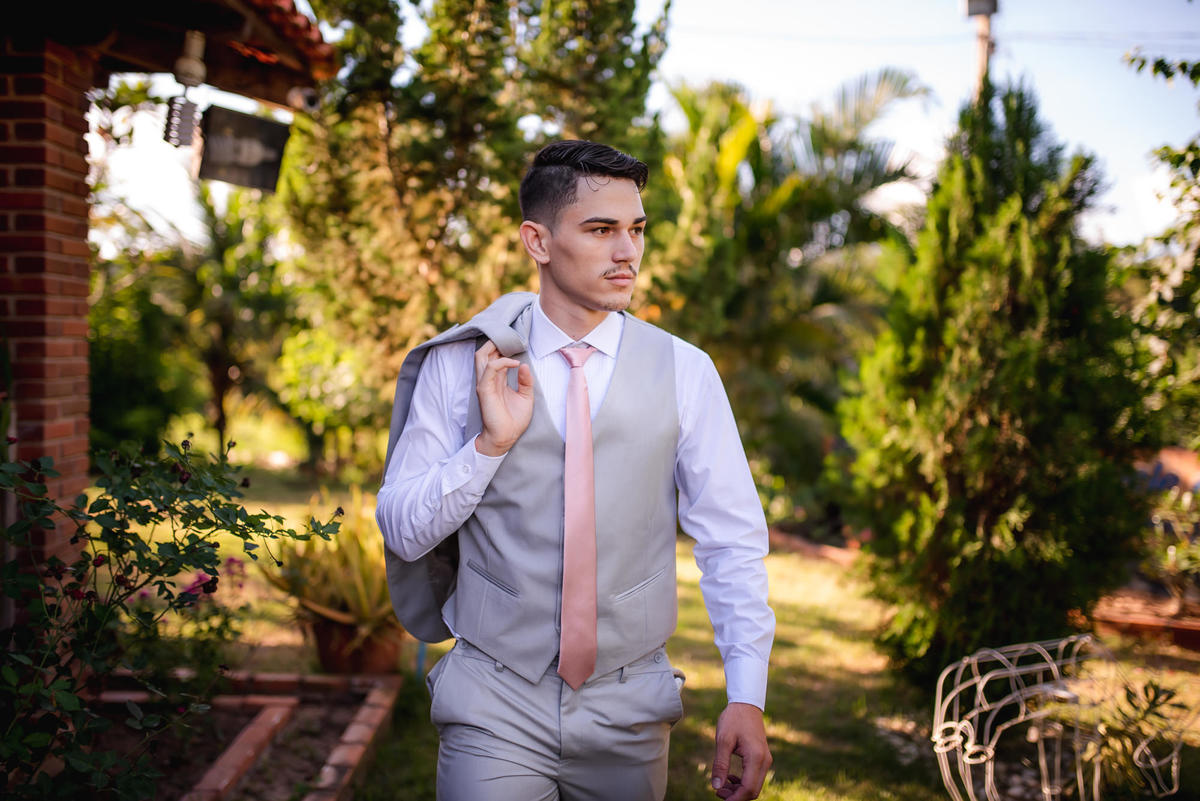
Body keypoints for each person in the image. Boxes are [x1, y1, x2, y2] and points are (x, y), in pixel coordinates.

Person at [376, 140, 775, 801]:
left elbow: (731, 540)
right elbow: (401, 529)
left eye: (636, 229)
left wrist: (747, 695)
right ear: (537, 240)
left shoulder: (686, 370)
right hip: (494, 696)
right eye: (600, 229)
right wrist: (488, 447)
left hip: (631, 704)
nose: (627, 252)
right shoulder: (462, 362)